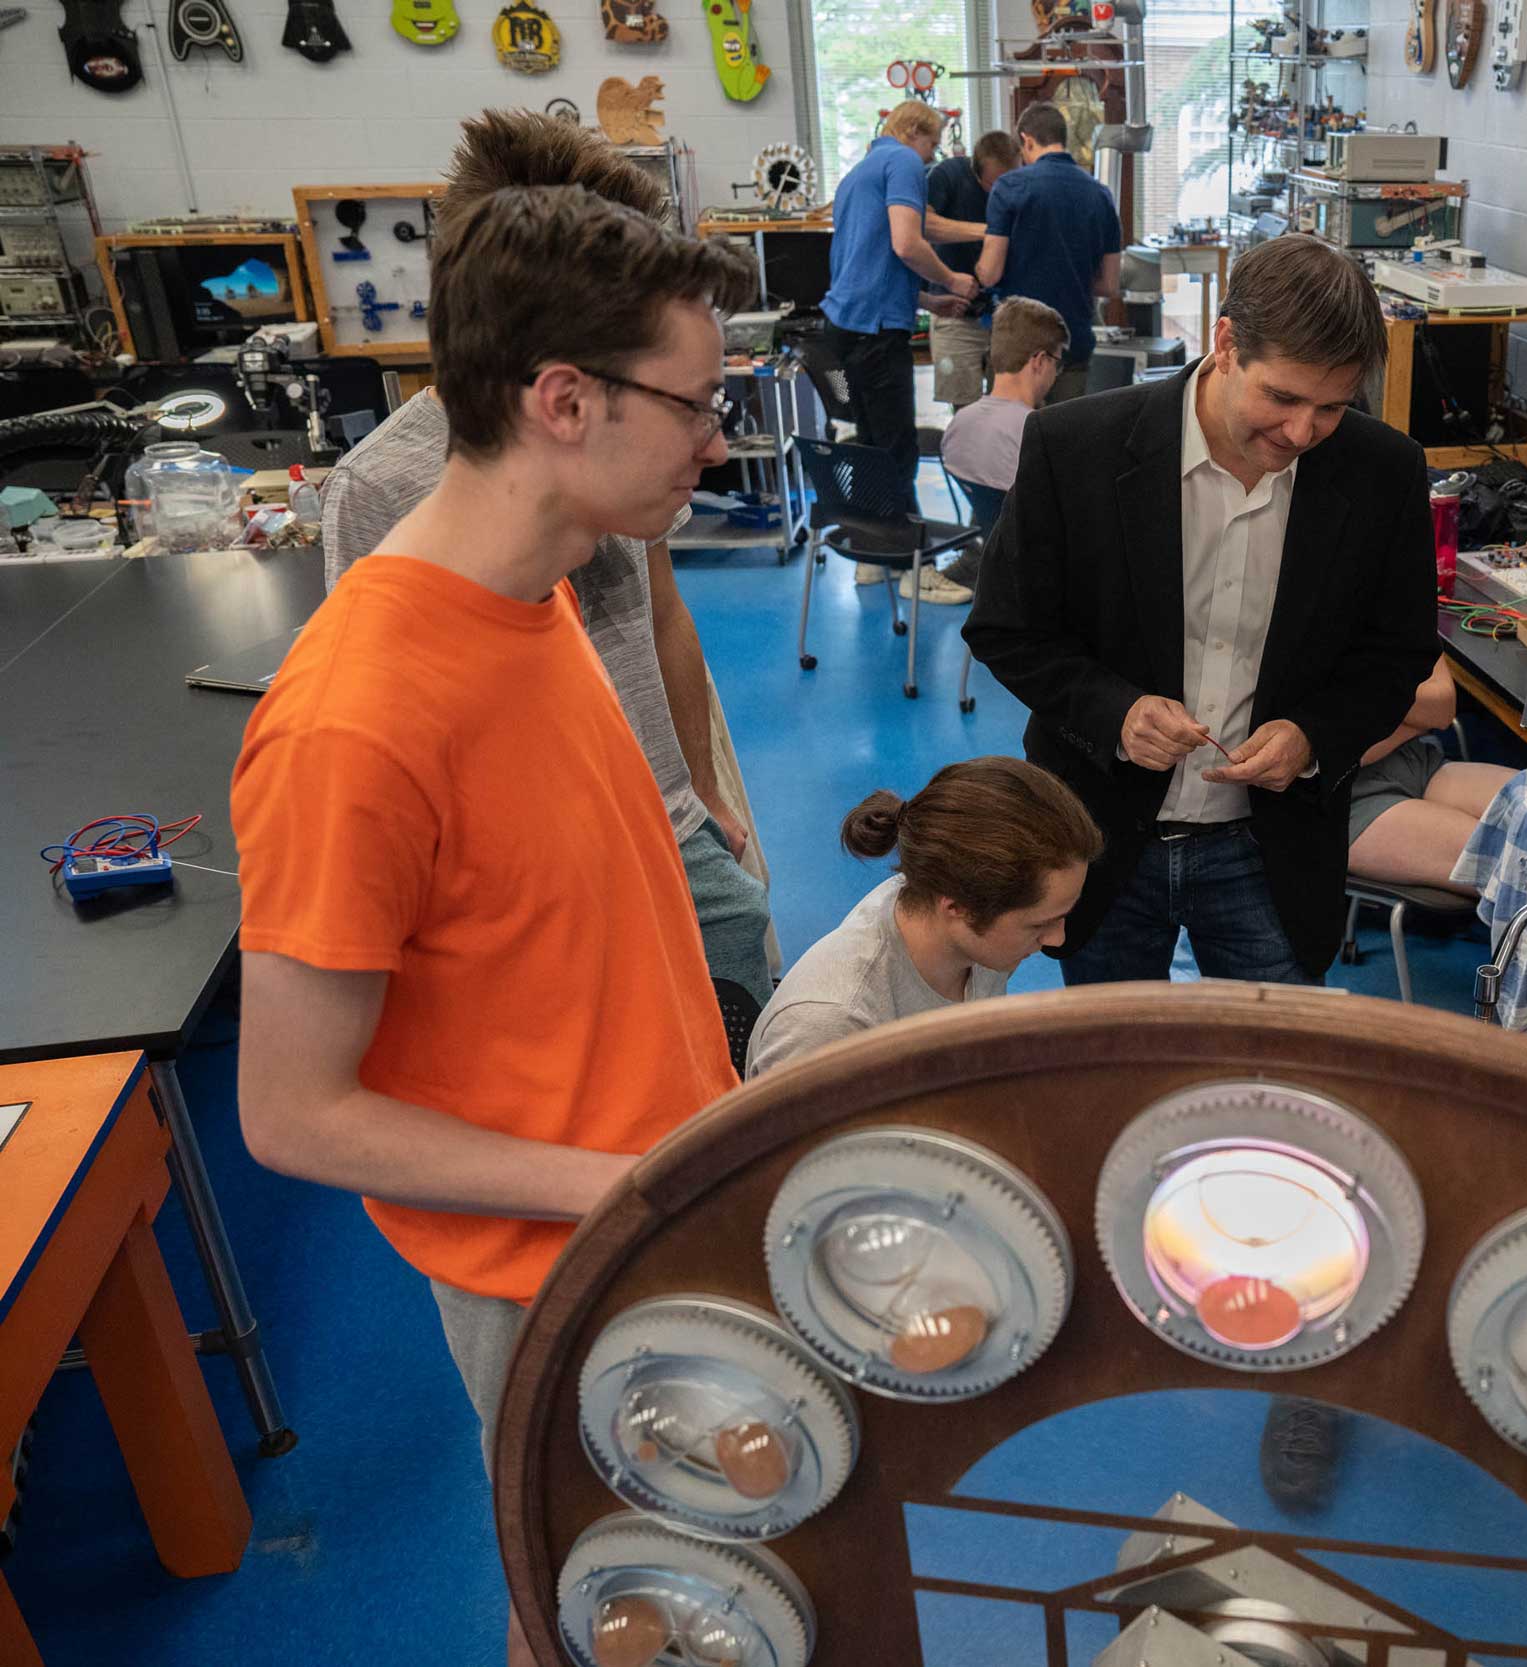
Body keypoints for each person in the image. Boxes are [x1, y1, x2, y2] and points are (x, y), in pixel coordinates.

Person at [230, 184, 755, 1667]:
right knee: (598, 1606)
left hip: (652, 1206)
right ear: (566, 399)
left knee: (679, 1581)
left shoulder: (543, 597)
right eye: (695, 405)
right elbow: (293, 1111)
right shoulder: (356, 720)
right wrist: (620, 1184)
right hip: (557, 1267)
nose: (716, 443)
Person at [320, 109, 775, 1016]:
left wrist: (702, 793)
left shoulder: (614, 484)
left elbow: (662, 615)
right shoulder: (382, 503)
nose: (716, 446)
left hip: (663, 824)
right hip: (539, 884)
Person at [965, 233, 1440, 985]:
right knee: (1118, 1067)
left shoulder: (1383, 473)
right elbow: (1008, 628)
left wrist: (1313, 736)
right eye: (1282, 397)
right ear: (1225, 343)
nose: (1300, 433)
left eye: (1330, 408)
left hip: (1269, 852)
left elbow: (1398, 653)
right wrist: (1115, 713)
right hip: (1103, 840)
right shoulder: (1074, 447)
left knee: (1265, 1079)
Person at [745, 758, 1102, 1077]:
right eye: (1039, 925)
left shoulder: (969, 929)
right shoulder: (832, 1026)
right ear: (956, 907)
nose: (1058, 939)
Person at [819, 101, 981, 476]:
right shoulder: (904, 162)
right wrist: (952, 279)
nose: (932, 156)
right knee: (896, 455)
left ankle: (873, 532)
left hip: (845, 330)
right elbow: (907, 243)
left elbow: (865, 264)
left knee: (873, 445)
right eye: (933, 144)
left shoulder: (857, 175)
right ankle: (897, 534)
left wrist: (926, 301)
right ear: (912, 132)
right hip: (875, 337)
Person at [916, 296, 1068, 604]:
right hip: (1049, 577)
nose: (1056, 373)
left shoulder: (958, 425)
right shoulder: (1039, 434)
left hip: (998, 571)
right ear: (1039, 361)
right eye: (1057, 361)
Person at [974, 103, 1123, 407]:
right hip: (1071, 342)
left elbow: (990, 272)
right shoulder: (1100, 195)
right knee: (1064, 443)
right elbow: (1109, 285)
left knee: (1012, 443)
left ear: (1026, 140)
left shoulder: (1009, 187)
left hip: (1018, 346)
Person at [1347, 657, 1515, 890]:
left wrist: (1361, 703)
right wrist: (1416, 718)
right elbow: (1336, 750)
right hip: (1343, 800)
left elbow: (1442, 706)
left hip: (1413, 759)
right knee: (1525, 868)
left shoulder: (1400, 619)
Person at [925, 130, 1019, 410]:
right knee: (964, 408)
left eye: (1009, 181)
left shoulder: (1025, 183)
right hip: (955, 312)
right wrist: (991, 233)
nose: (1002, 191)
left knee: (1007, 409)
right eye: (994, 184)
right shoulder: (947, 175)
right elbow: (923, 225)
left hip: (1007, 317)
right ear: (975, 171)